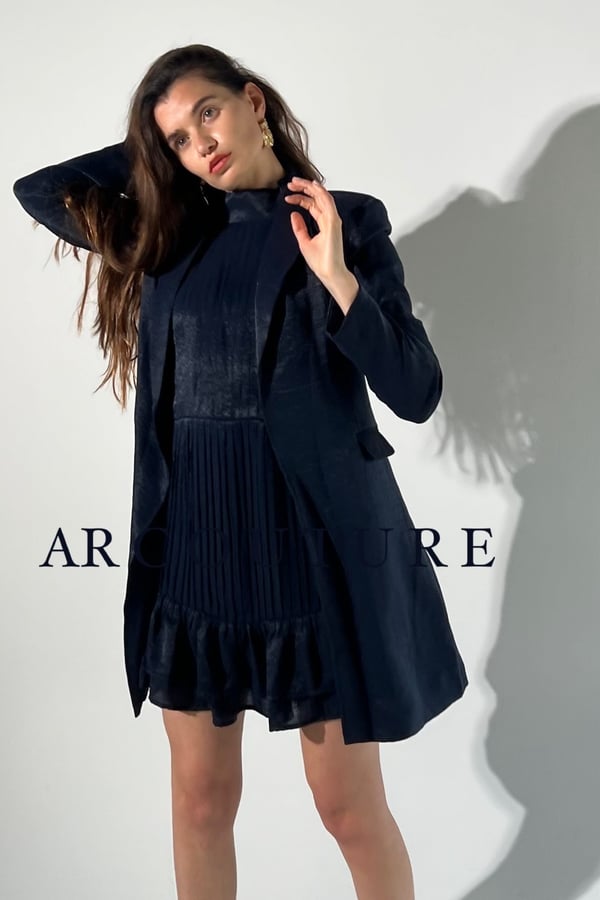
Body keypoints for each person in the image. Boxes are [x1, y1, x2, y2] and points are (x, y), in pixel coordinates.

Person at [13, 42, 468, 900]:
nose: (202, 146)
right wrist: (152, 152)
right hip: (195, 556)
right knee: (199, 803)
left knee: (347, 811)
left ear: (254, 102)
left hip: (312, 561)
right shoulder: (168, 234)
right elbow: (39, 190)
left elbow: (416, 391)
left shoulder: (348, 221)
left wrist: (338, 279)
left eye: (209, 113)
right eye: (179, 141)